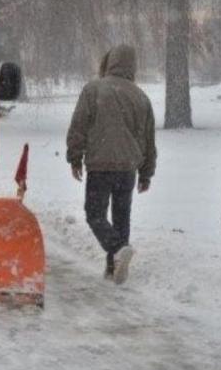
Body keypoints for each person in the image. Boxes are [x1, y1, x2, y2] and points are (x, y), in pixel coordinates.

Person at [66, 44, 157, 285]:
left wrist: (75, 157)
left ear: (110, 62)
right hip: (127, 167)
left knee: (95, 214)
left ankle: (117, 251)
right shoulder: (141, 97)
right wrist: (146, 173)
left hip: (101, 164)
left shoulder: (94, 89)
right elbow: (148, 139)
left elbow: (79, 126)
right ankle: (113, 269)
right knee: (121, 217)